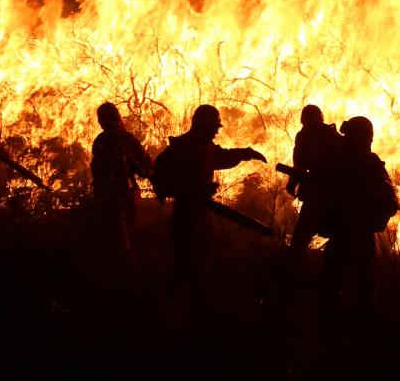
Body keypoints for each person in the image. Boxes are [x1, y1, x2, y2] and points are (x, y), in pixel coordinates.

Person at [155, 104, 266, 290]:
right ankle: (175, 301)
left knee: (202, 259)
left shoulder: (206, 146)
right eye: (214, 126)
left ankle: (195, 299)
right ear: (203, 125)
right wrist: (191, 189)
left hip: (204, 211)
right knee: (184, 263)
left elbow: (222, 156)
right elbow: (158, 172)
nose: (216, 131)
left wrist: (245, 153)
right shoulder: (182, 148)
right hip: (187, 212)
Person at [315, 115, 397, 321]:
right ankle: (361, 324)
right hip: (359, 234)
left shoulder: (338, 161)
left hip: (344, 233)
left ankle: (333, 324)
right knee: (363, 285)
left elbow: (322, 192)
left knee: (335, 283)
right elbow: (390, 201)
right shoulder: (368, 163)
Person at [89, 102, 152, 269]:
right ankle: (125, 273)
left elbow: (145, 167)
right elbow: (145, 168)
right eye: (104, 119)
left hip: (123, 197)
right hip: (114, 197)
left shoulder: (121, 140)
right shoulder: (106, 141)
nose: (106, 123)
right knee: (118, 242)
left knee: (121, 241)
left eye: (108, 119)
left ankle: (125, 273)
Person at [285, 104, 344, 260]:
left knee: (301, 235)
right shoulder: (331, 133)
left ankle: (293, 266)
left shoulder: (304, 135)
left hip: (317, 191)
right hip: (335, 192)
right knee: (338, 233)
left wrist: (292, 183)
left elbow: (299, 163)